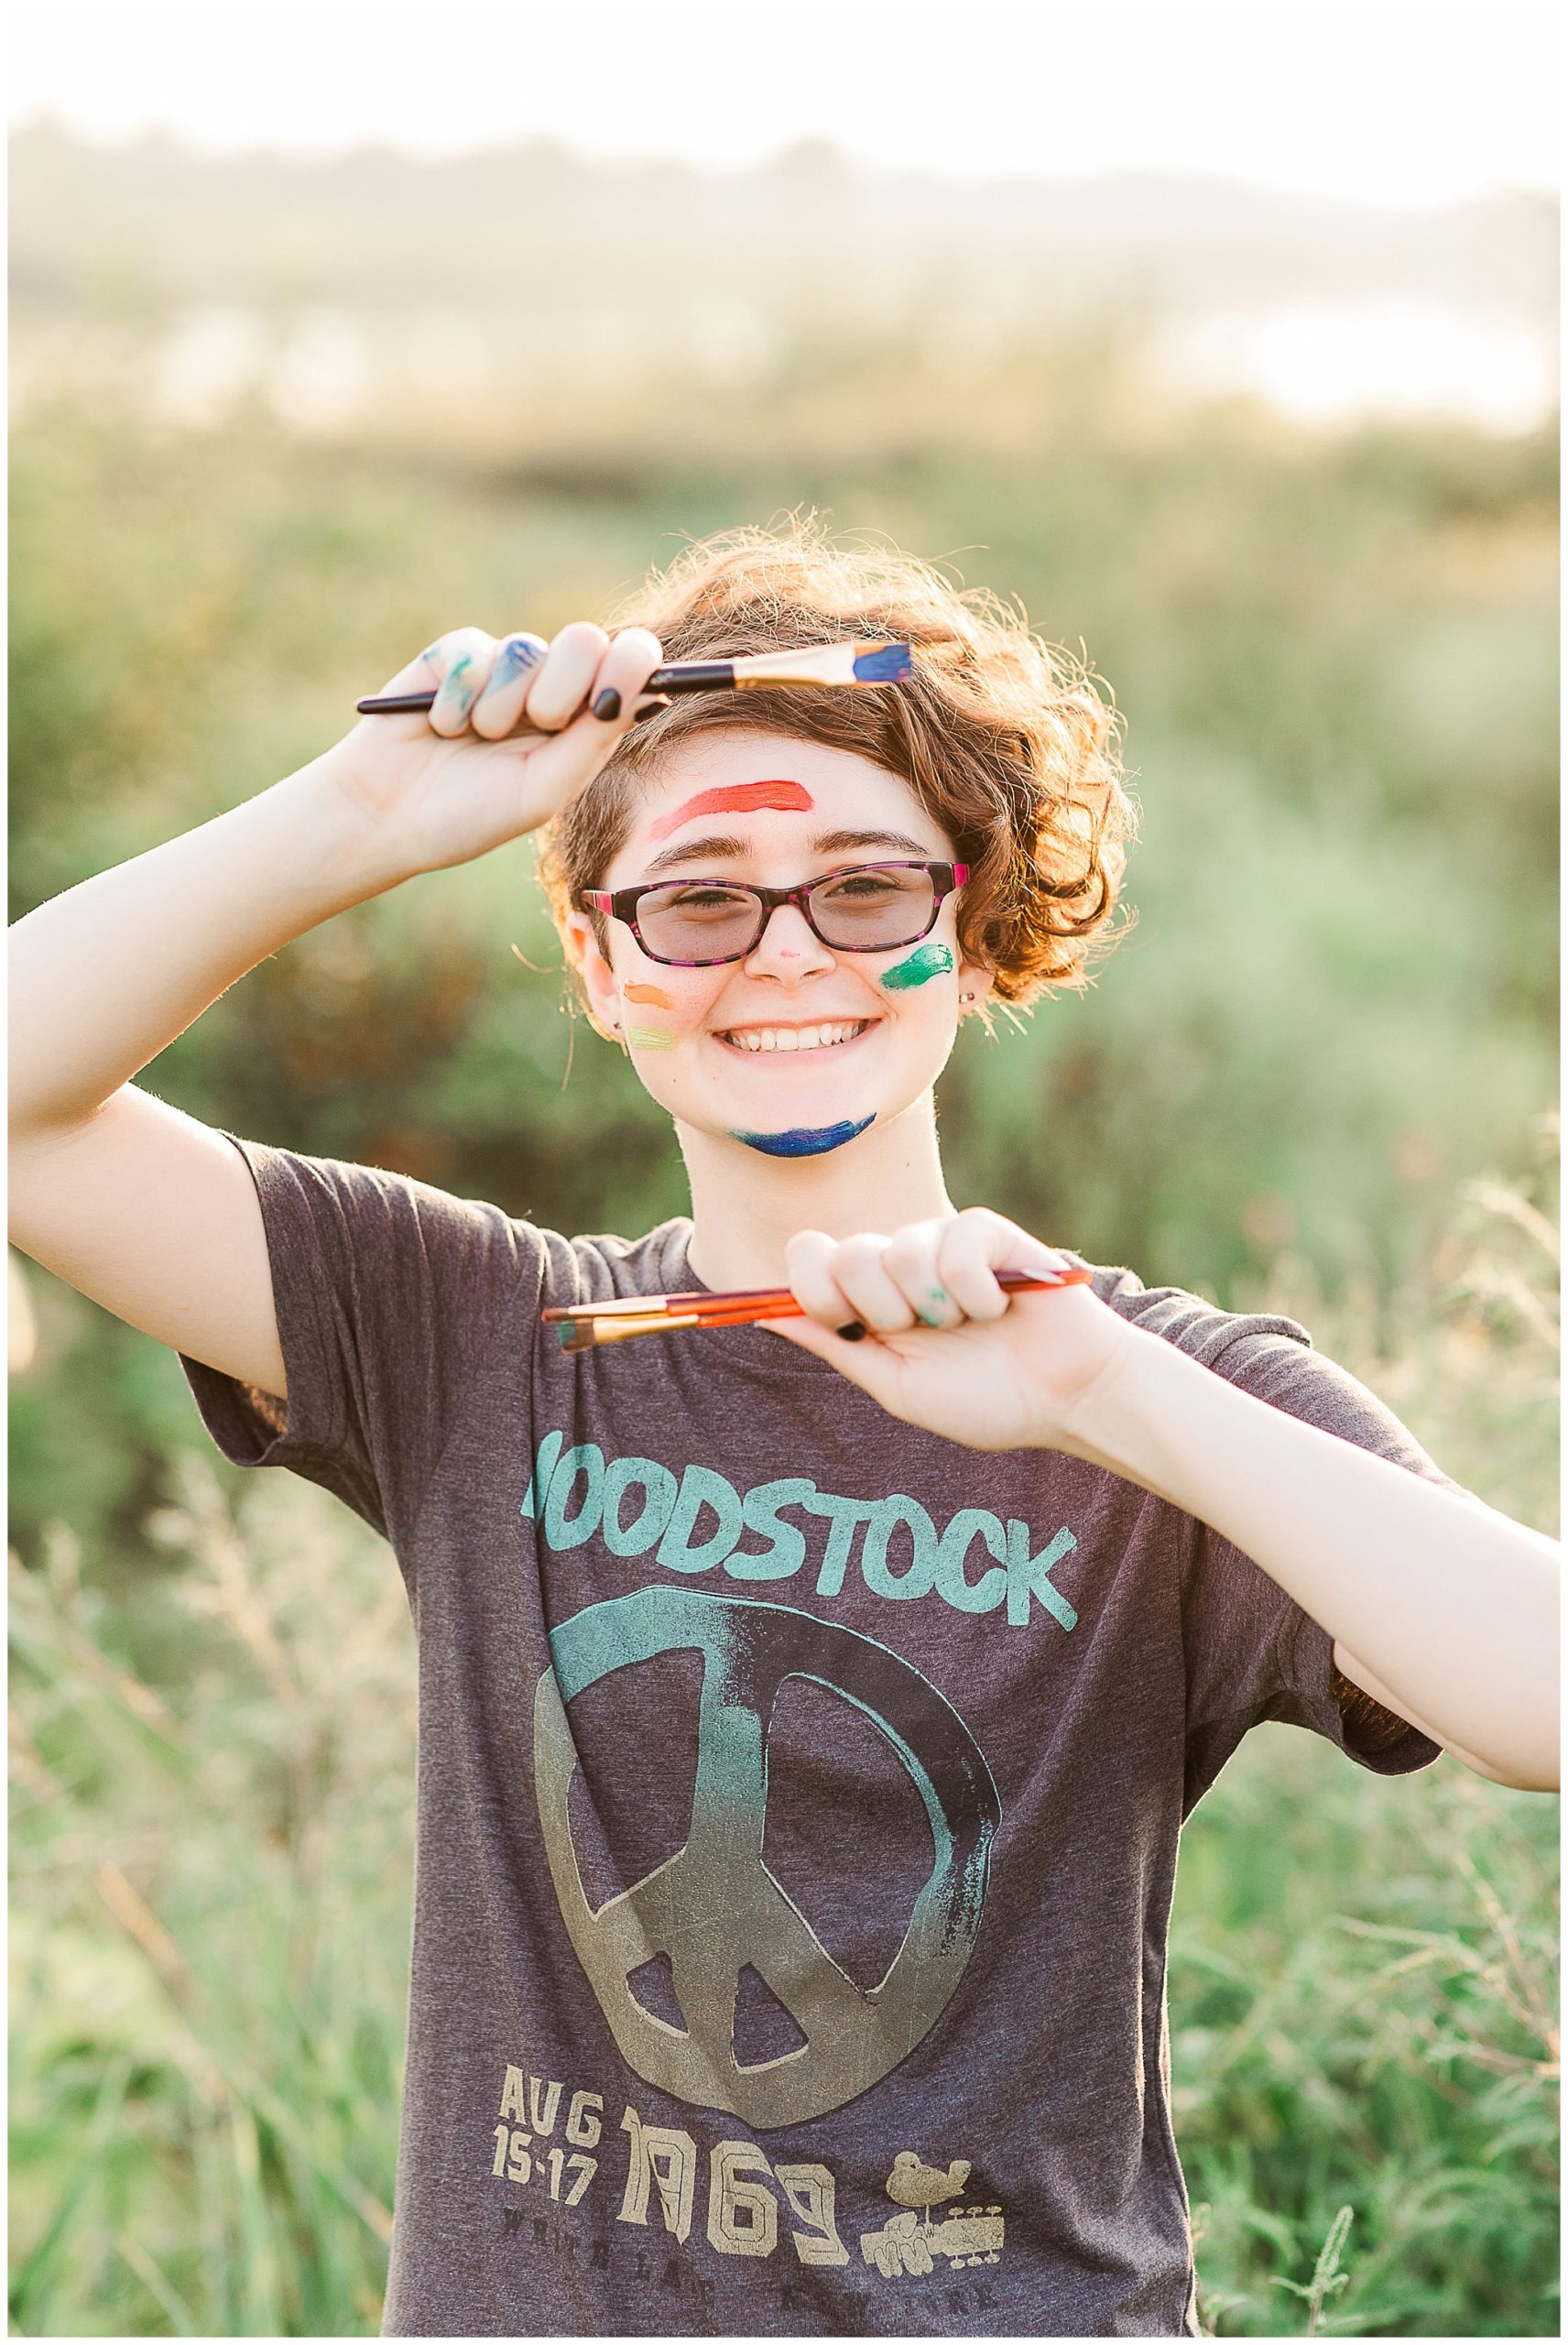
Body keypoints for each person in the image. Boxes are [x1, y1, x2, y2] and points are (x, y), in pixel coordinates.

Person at [9, 524, 1557, 2340]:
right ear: (600, 966)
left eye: (865, 887)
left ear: (971, 936)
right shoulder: (476, 1339)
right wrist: (359, 811)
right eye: (699, 895)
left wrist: (1100, 1397)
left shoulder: (1150, 1388)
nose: (785, 953)